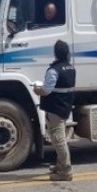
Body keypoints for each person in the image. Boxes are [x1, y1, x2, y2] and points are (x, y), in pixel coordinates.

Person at [33, 40, 76, 181]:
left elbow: (46, 91)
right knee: (60, 138)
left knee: (58, 139)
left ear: (55, 53)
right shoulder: (71, 68)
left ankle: (65, 171)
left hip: (55, 109)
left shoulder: (53, 70)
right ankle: (60, 164)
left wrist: (36, 89)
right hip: (65, 107)